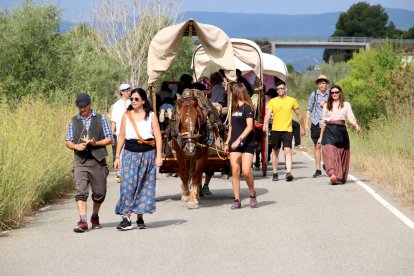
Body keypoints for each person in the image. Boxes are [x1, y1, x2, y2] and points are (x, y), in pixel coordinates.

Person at [114, 88, 163, 230]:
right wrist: (117, 156)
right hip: (130, 154)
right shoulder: (126, 116)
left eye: (136, 99)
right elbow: (121, 136)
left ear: (143, 101)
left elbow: (158, 137)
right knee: (128, 185)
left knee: (144, 185)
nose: (133, 101)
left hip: (148, 155)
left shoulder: (151, 115)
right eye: (132, 99)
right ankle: (126, 217)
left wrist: (158, 156)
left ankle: (140, 218)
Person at [65, 92, 112, 233]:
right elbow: (68, 141)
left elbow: (110, 139)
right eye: (79, 107)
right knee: (81, 191)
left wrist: (95, 143)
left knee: (100, 193)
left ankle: (94, 216)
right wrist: (76, 146)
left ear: (89, 104)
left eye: (84, 106)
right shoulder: (73, 121)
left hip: (98, 161)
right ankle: (83, 220)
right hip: (80, 161)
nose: (82, 109)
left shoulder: (101, 118)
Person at [318, 85, 361, 185]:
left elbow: (350, 117)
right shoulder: (326, 105)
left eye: (336, 92)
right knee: (329, 152)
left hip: (341, 130)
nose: (334, 94)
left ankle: (339, 176)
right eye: (332, 93)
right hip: (329, 130)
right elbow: (323, 121)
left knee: (342, 154)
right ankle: (332, 173)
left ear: (340, 93)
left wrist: (356, 125)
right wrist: (320, 136)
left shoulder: (346, 105)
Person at [263, 81, 305, 182]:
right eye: (278, 89)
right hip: (276, 129)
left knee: (287, 151)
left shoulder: (292, 100)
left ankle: (288, 172)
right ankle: (275, 172)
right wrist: (265, 124)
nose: (280, 90)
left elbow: (299, 114)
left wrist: (303, 127)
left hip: (287, 130)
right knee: (275, 152)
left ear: (285, 88)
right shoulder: (272, 101)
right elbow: (268, 114)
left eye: (282, 88)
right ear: (276, 91)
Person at [224, 83, 257, 209]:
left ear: (237, 92)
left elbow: (249, 126)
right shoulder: (234, 109)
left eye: (233, 92)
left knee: (246, 171)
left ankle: (252, 194)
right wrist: (227, 142)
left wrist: (239, 140)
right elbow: (231, 128)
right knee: (235, 171)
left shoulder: (248, 108)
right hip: (234, 144)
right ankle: (237, 199)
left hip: (247, 143)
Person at [305, 75, 330, 178]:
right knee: (317, 146)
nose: (321, 85)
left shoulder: (331, 94)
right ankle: (318, 169)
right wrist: (306, 123)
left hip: (327, 123)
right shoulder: (314, 94)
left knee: (327, 145)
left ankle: (326, 164)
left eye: (323, 83)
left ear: (326, 84)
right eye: (320, 83)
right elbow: (309, 108)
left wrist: (326, 104)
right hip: (315, 122)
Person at [111, 83, 131, 182]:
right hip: (120, 133)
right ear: (121, 92)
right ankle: (119, 173)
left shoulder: (132, 103)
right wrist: (111, 134)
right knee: (120, 153)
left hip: (132, 133)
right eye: (126, 90)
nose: (128, 91)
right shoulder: (116, 105)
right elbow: (113, 120)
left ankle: (129, 172)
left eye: (129, 89)